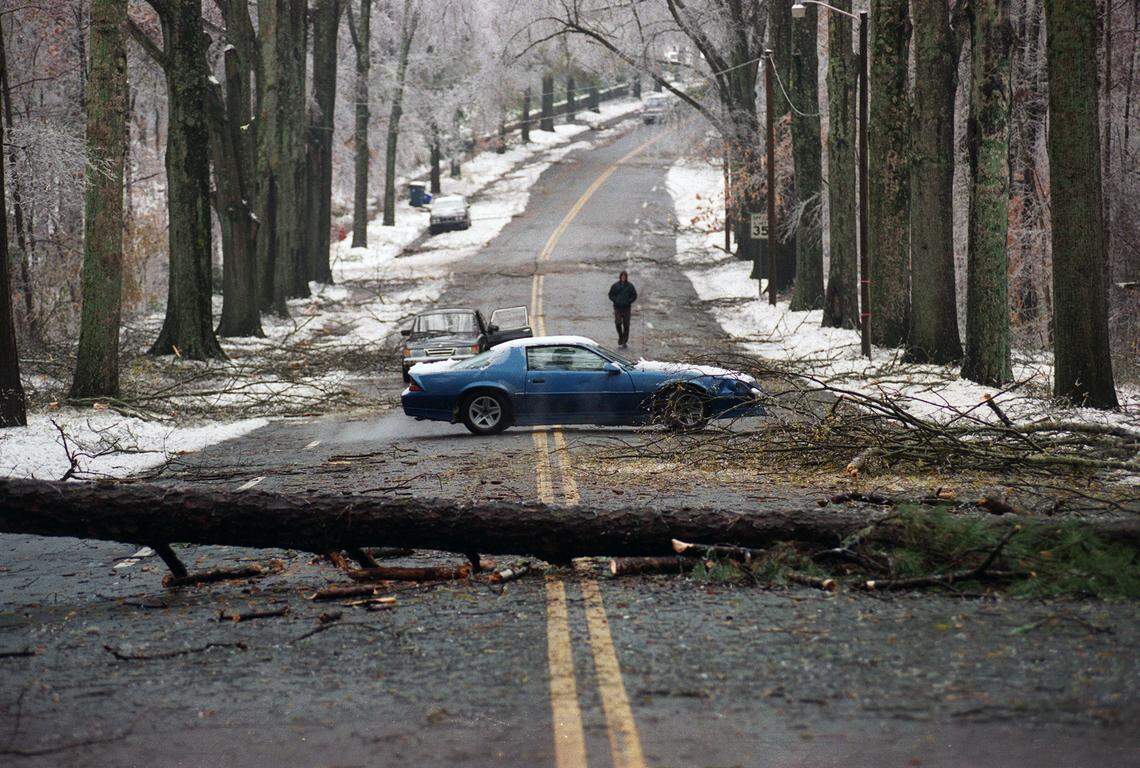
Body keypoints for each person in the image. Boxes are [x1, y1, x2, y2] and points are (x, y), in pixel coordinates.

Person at [608, 270, 637, 348]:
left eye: (625, 277)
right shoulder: (615, 285)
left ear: (626, 277)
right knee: (618, 323)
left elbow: (634, 295)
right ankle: (620, 336)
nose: (623, 278)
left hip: (626, 308)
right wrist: (616, 300)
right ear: (620, 277)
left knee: (626, 325)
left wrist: (629, 301)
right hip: (617, 307)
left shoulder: (630, 286)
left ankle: (624, 340)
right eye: (622, 276)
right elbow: (610, 295)